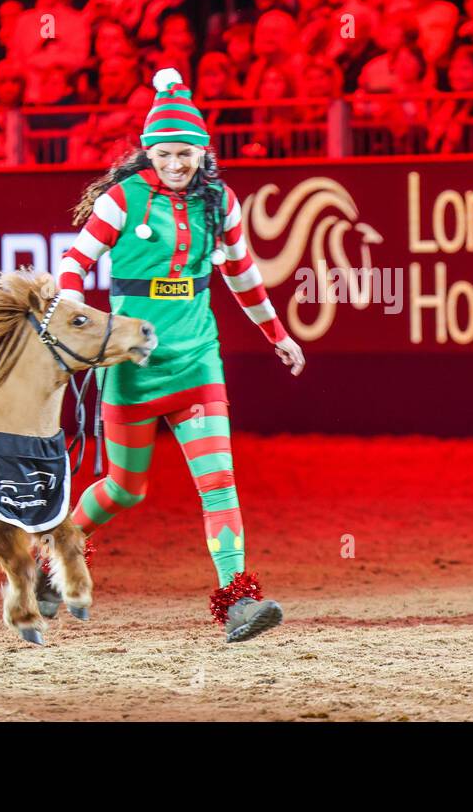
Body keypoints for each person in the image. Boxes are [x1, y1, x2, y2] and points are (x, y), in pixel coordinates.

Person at [56, 68, 305, 643]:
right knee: (124, 489)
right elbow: (75, 259)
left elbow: (243, 278)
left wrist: (278, 335)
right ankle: (56, 557)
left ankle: (239, 601)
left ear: (202, 152)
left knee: (219, 483)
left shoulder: (221, 203)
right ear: (149, 151)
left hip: (198, 365)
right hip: (130, 369)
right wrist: (70, 302)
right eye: (165, 153)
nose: (176, 164)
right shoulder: (123, 199)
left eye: (186, 153)